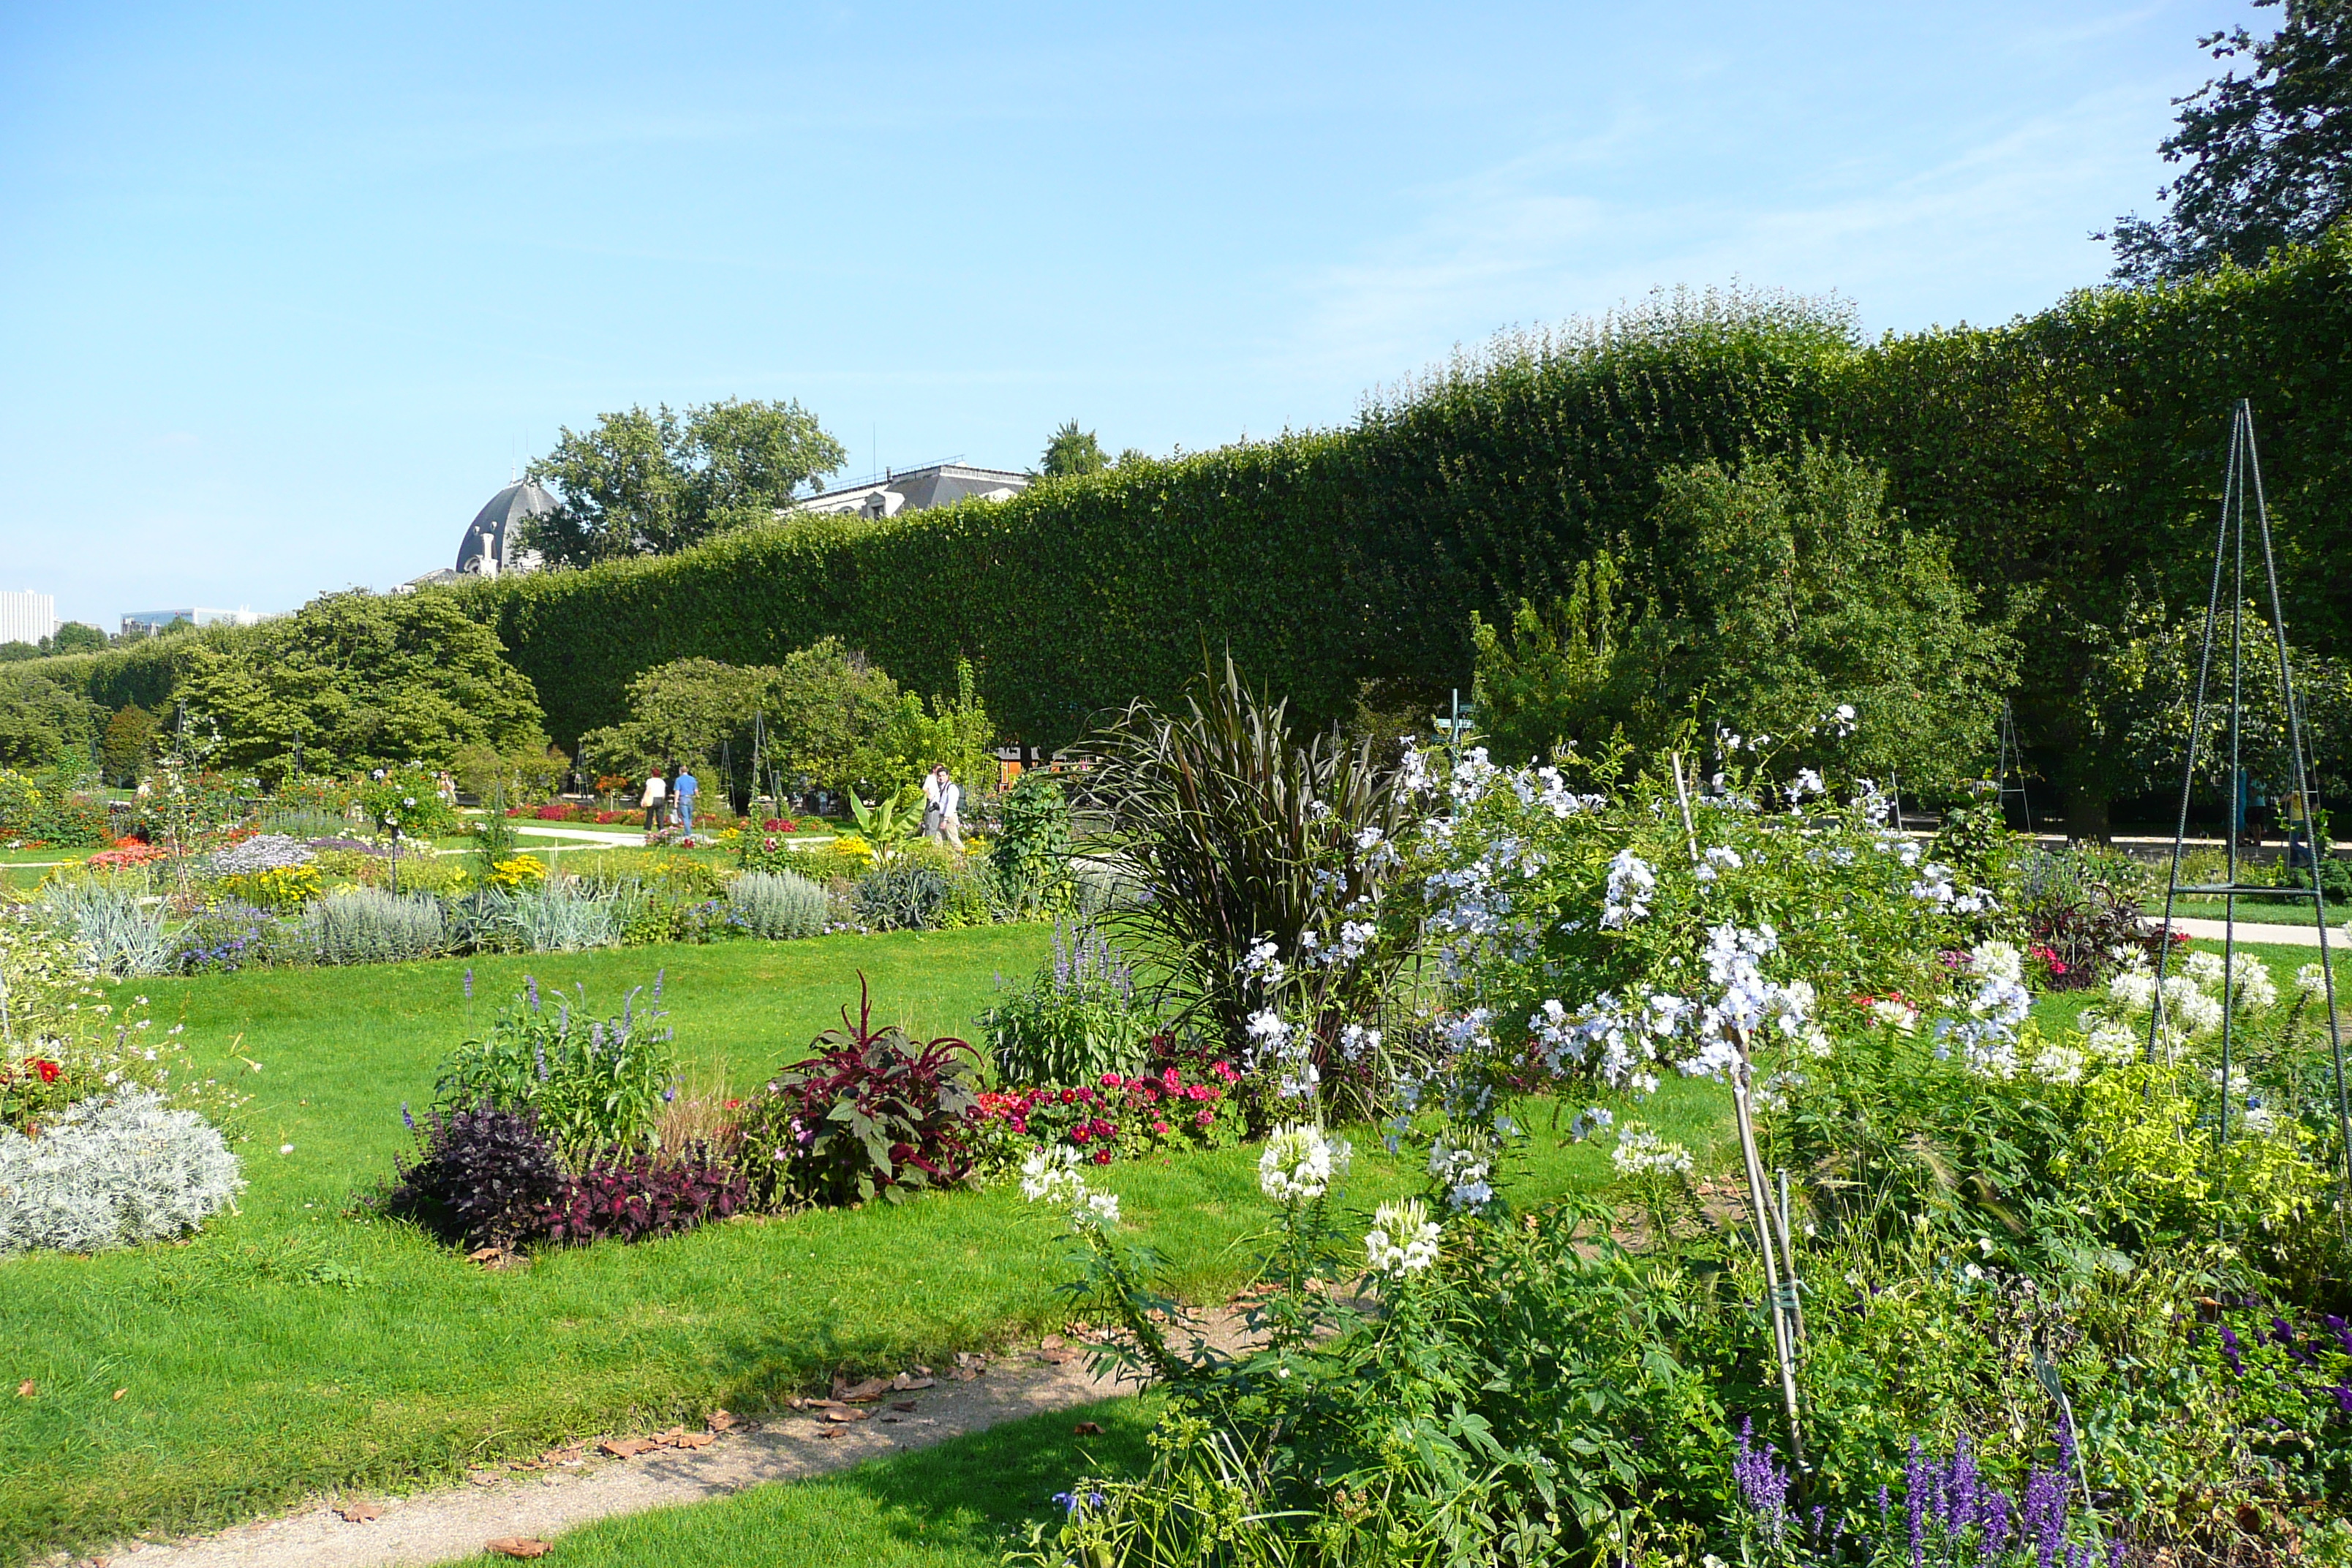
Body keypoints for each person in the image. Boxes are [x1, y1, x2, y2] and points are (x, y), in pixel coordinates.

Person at [936, 767, 964, 851]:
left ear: (948, 776)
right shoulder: (941, 787)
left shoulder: (951, 788)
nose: (941, 778)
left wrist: (945, 820)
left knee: (953, 839)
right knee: (938, 839)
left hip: (949, 817)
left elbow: (951, 805)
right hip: (940, 816)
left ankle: (964, 856)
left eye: (943, 775)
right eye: (939, 776)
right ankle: (938, 857)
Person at [920, 765, 945, 841]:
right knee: (931, 827)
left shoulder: (939, 779)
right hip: (933, 806)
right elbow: (924, 789)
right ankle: (928, 843)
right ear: (934, 770)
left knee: (936, 828)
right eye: (939, 769)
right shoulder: (931, 778)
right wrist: (929, 796)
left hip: (939, 806)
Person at [674, 764, 699, 835]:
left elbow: (677, 791)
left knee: (685, 817)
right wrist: (698, 797)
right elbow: (696, 790)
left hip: (683, 798)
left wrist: (675, 801)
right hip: (691, 798)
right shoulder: (693, 779)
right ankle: (689, 831)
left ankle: (688, 833)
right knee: (690, 816)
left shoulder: (679, 780)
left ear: (680, 771)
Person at [641, 767, 667, 833]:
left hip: (652, 798)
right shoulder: (662, 782)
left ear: (652, 774)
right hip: (660, 799)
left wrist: (644, 800)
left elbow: (648, 791)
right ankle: (661, 829)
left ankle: (649, 830)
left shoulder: (650, 781)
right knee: (660, 815)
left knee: (650, 815)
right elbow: (664, 792)